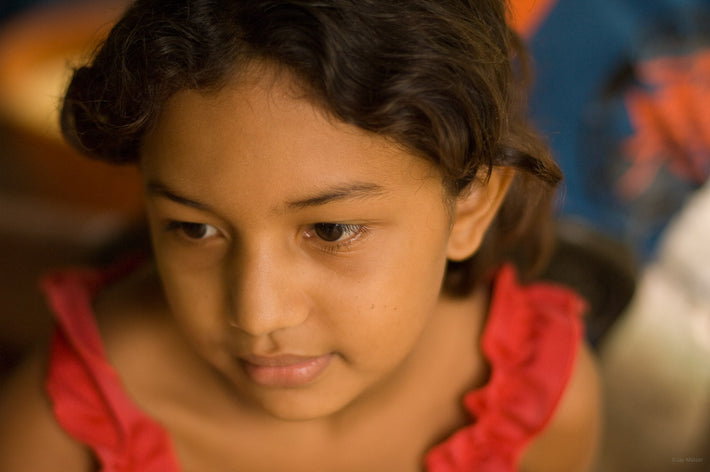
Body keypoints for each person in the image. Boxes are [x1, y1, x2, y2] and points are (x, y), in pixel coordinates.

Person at [0, 0, 600, 470]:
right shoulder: (64, 426)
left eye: (331, 229)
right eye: (194, 227)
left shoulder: (537, 406)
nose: (257, 315)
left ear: (470, 207)